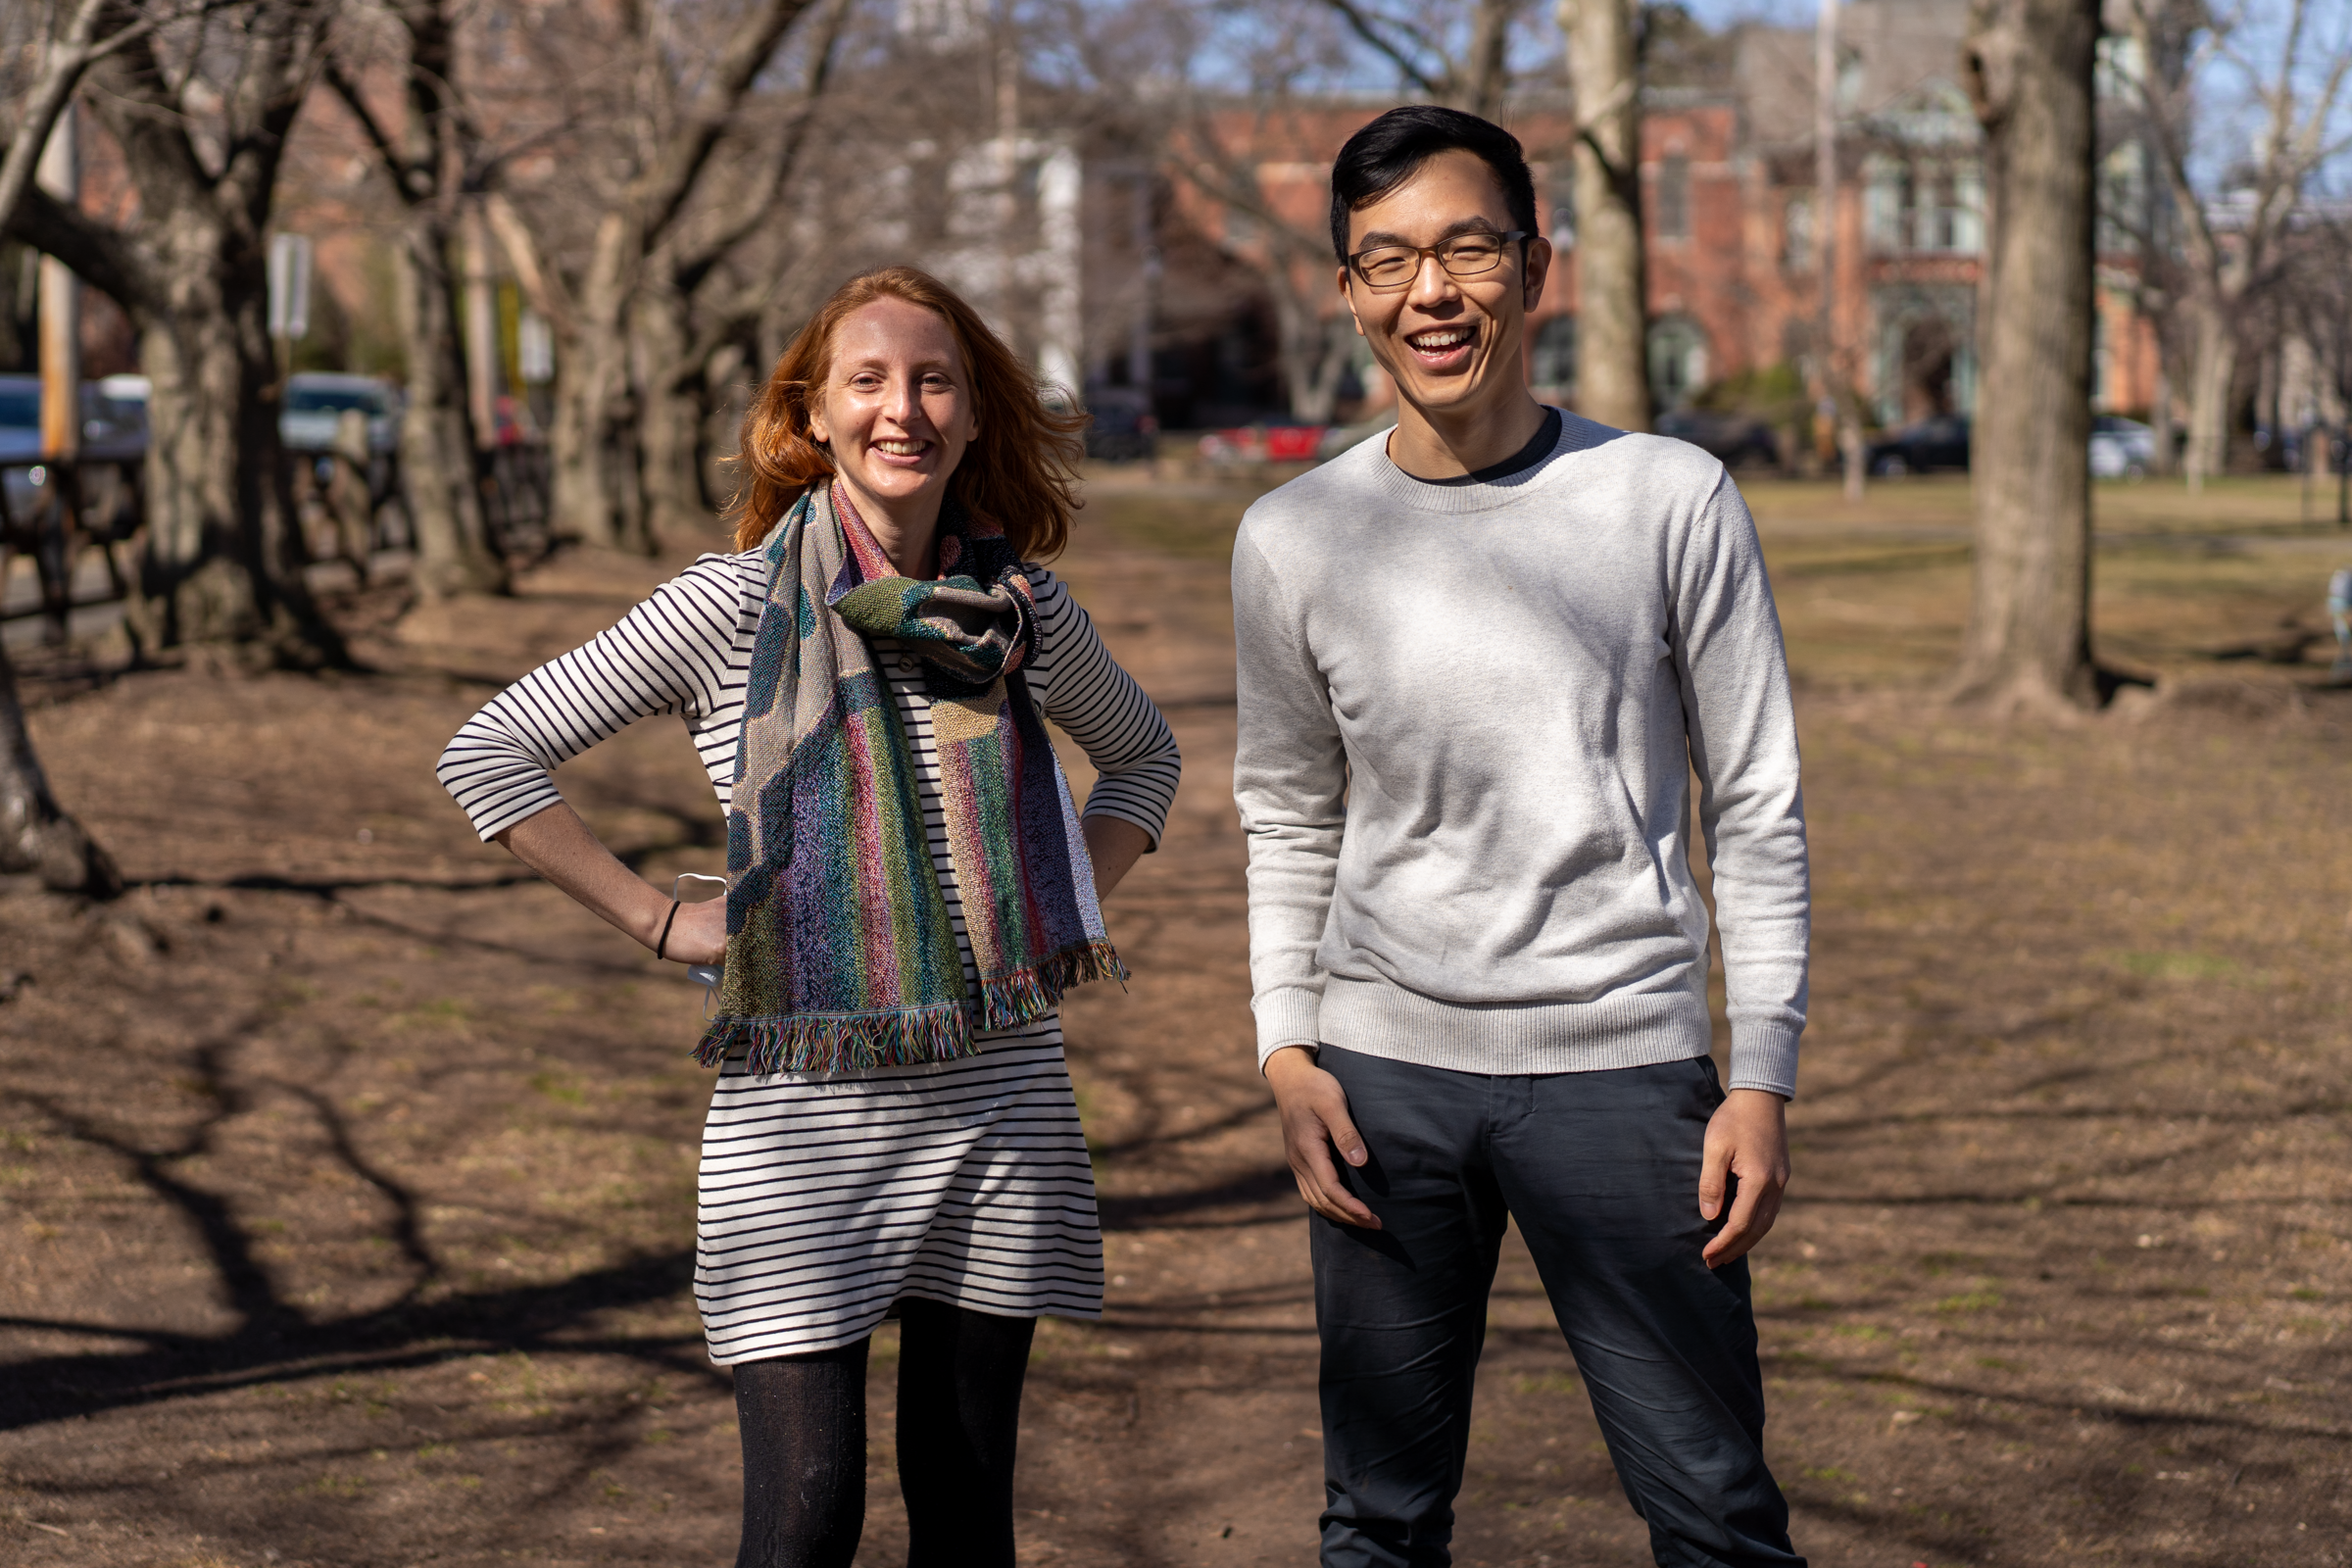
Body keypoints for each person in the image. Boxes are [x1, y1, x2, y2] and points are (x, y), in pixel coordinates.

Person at [436, 266, 1179, 1568]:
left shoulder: (1020, 616)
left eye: (935, 380)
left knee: (967, 1520)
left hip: (1000, 1111)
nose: (905, 408)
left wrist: (1048, 906)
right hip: (804, 1127)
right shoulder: (731, 607)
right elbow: (490, 753)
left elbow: (1145, 760)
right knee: (803, 1524)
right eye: (868, 380)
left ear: (974, 414)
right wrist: (658, 923)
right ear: (813, 416)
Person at [1232, 106, 1811, 1568]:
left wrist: (1762, 1077)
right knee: (1377, 1523)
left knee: (1717, 1517)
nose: (1430, 292)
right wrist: (1288, 1050)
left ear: (1534, 268)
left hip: (1623, 1067)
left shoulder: (1668, 498)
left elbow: (1754, 800)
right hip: (1382, 1082)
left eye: (1467, 249)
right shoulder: (1293, 537)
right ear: (1349, 291)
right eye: (1387, 260)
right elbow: (1289, 811)